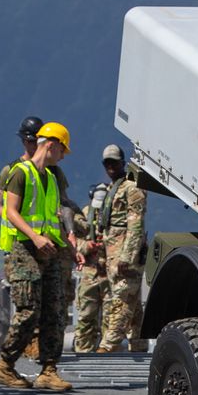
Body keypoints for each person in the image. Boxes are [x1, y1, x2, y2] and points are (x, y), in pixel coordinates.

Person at [0, 122, 75, 391]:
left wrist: (68, 242)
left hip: (49, 251)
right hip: (23, 250)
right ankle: (5, 366)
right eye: (62, 150)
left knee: (55, 310)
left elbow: (55, 215)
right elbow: (9, 211)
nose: (63, 157)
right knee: (29, 310)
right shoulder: (19, 173)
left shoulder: (51, 177)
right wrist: (35, 237)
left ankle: (49, 370)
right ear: (51, 145)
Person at [71, 149, 123, 353]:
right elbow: (75, 241)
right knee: (86, 317)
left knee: (111, 318)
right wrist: (87, 246)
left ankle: (108, 354)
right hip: (91, 272)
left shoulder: (115, 215)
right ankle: (83, 351)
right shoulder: (85, 216)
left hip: (109, 271)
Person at [98, 145, 147, 353]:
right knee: (133, 305)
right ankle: (138, 343)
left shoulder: (132, 187)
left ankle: (108, 345)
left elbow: (136, 224)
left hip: (126, 256)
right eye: (107, 163)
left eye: (114, 162)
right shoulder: (113, 188)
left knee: (122, 300)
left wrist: (127, 257)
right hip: (112, 254)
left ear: (122, 162)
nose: (110, 166)